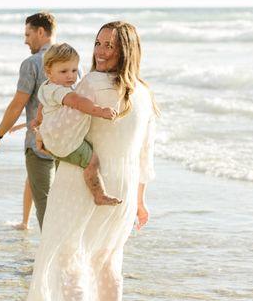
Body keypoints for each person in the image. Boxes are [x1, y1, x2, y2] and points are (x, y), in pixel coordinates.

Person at [27, 22, 159, 300]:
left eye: (109, 45)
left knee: (69, 258)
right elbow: (145, 154)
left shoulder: (91, 83)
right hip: (124, 187)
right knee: (108, 260)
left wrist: (41, 135)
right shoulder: (144, 93)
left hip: (82, 184)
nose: (101, 52)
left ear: (126, 50)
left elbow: (62, 136)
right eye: (98, 43)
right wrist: (140, 200)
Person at [0, 12, 58, 230]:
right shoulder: (73, 63)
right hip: (66, 142)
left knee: (45, 203)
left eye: (28, 34)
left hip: (38, 144)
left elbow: (17, 104)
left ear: (41, 32)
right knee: (60, 201)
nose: (25, 40)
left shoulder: (33, 63)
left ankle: (50, 258)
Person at [34, 43, 121, 206]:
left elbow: (41, 106)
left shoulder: (46, 87)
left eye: (74, 70)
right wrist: (100, 111)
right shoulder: (59, 91)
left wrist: (38, 123)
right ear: (48, 71)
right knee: (93, 162)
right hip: (64, 142)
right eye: (64, 71)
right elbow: (77, 101)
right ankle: (99, 194)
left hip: (51, 139)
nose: (71, 76)